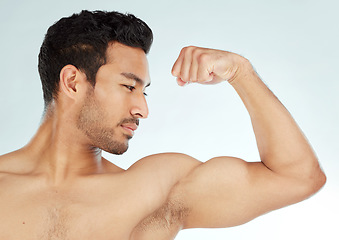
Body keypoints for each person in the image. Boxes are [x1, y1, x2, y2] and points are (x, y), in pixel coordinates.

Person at [0, 10, 326, 239]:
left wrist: (240, 72)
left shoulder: (153, 193)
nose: (142, 108)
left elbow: (297, 177)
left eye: (144, 91)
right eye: (129, 87)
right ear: (72, 82)